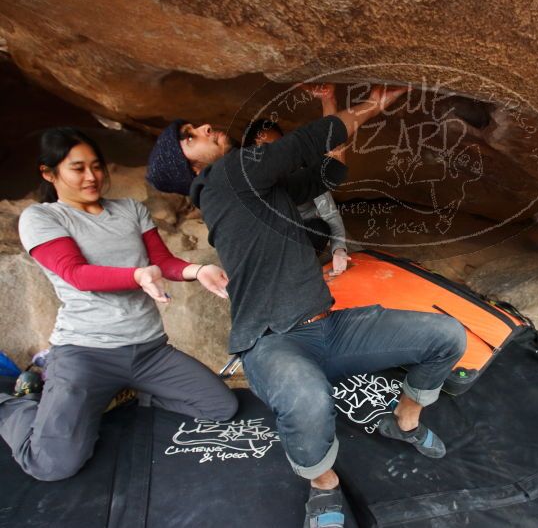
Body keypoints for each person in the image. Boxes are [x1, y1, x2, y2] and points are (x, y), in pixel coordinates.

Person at [147, 84, 467, 528]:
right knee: (306, 399)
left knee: (446, 336)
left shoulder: (252, 189)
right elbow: (312, 139)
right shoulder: (224, 176)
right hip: (273, 342)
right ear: (191, 165)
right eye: (189, 135)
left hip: (329, 329)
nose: (203, 126)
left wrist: (330, 110)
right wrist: (375, 103)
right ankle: (323, 485)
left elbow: (328, 174)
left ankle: (404, 422)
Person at [0, 127, 238, 482]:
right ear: (49, 173)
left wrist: (198, 269)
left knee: (221, 406)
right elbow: (76, 273)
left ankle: (124, 394)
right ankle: (15, 404)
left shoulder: (129, 209)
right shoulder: (43, 218)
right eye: (77, 168)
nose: (92, 176)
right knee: (52, 465)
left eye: (96, 166)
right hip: (85, 353)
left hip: (148, 351)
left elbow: (163, 260)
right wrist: (138, 276)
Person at [244, 84, 349, 275]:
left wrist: (339, 249)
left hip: (301, 235)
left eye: (276, 146)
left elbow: (329, 213)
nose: (270, 153)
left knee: (319, 228)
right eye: (263, 148)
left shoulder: (300, 173)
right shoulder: (247, 180)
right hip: (272, 242)